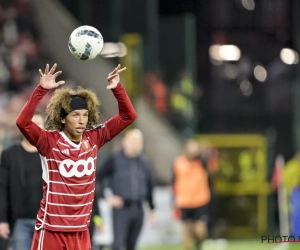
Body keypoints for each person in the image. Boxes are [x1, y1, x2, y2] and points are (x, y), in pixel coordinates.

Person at [15, 63, 137, 250]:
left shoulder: (94, 138)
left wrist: (118, 89)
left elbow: (128, 116)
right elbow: (22, 122)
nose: (82, 121)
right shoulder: (49, 142)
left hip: (80, 231)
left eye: (85, 115)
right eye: (75, 115)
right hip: (51, 230)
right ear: (63, 118)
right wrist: (40, 90)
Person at [97, 128, 156, 250]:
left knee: (132, 245)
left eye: (139, 141)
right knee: (117, 244)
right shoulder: (114, 158)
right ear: (125, 141)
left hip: (139, 209)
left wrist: (152, 209)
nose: (135, 144)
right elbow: (97, 177)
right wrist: (106, 197)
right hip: (121, 209)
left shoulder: (144, 162)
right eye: (133, 141)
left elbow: (149, 186)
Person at [0, 112, 44, 250]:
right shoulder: (10, 155)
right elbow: (2, 189)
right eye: (31, 123)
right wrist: (2, 220)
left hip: (47, 221)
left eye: (39, 124)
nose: (35, 127)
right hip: (19, 221)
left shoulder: (50, 154)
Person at [172, 139, 210, 250]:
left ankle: (198, 245)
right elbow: (174, 182)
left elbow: (210, 161)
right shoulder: (178, 162)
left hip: (200, 200)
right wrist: (174, 199)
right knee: (186, 230)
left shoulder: (202, 162)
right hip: (184, 201)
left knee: (200, 232)